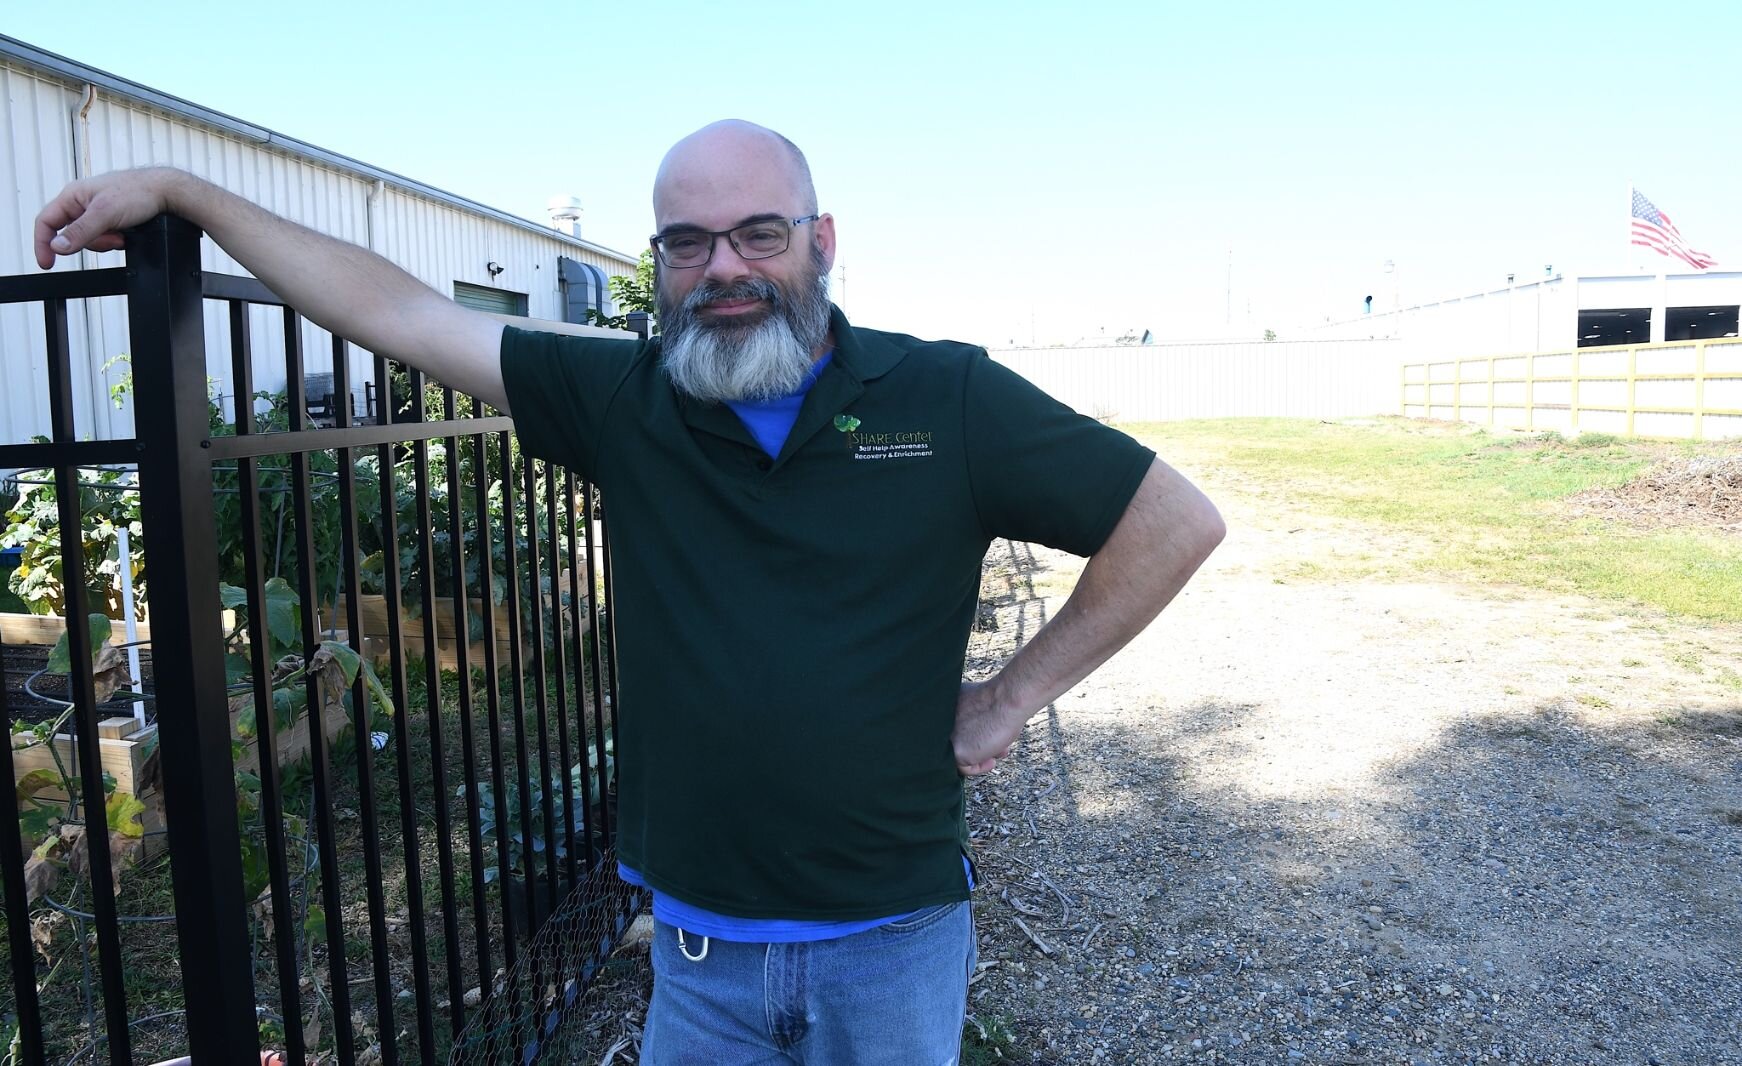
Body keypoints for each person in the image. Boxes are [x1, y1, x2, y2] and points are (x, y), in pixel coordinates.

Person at [36, 119, 1225, 1065]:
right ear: (656, 261)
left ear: (820, 239)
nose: (724, 269)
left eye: (758, 234)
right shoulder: (625, 398)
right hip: (698, 958)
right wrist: (188, 191)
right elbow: (394, 309)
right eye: (687, 243)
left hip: (895, 940)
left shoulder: (943, 398)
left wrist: (1011, 695)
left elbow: (1171, 520)